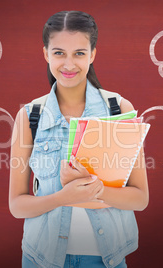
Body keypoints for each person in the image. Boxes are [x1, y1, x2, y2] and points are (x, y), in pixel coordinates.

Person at [9, 10, 149, 268]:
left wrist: (94, 191)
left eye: (79, 53)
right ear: (46, 54)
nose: (69, 64)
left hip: (106, 258)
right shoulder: (30, 116)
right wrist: (64, 197)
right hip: (41, 258)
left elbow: (140, 198)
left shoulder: (117, 108)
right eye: (59, 53)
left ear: (93, 54)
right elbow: (17, 205)